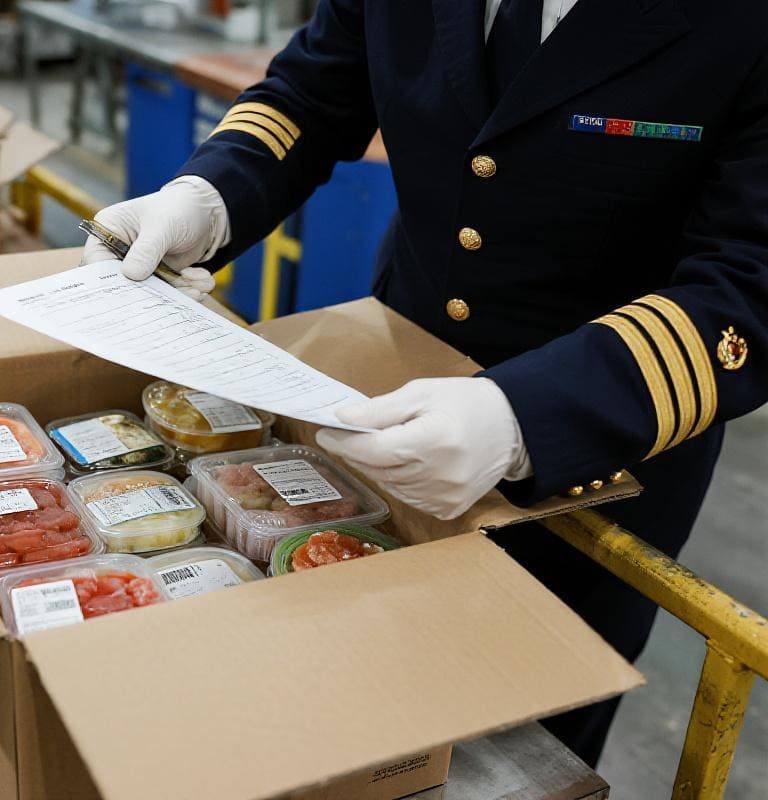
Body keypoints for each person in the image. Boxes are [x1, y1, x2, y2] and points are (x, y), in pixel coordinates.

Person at [81, 0, 768, 766]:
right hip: (388, 384)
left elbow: (749, 286)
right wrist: (206, 198)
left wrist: (523, 418)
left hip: (598, 445)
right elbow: (313, 94)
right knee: (342, 692)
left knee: (523, 745)